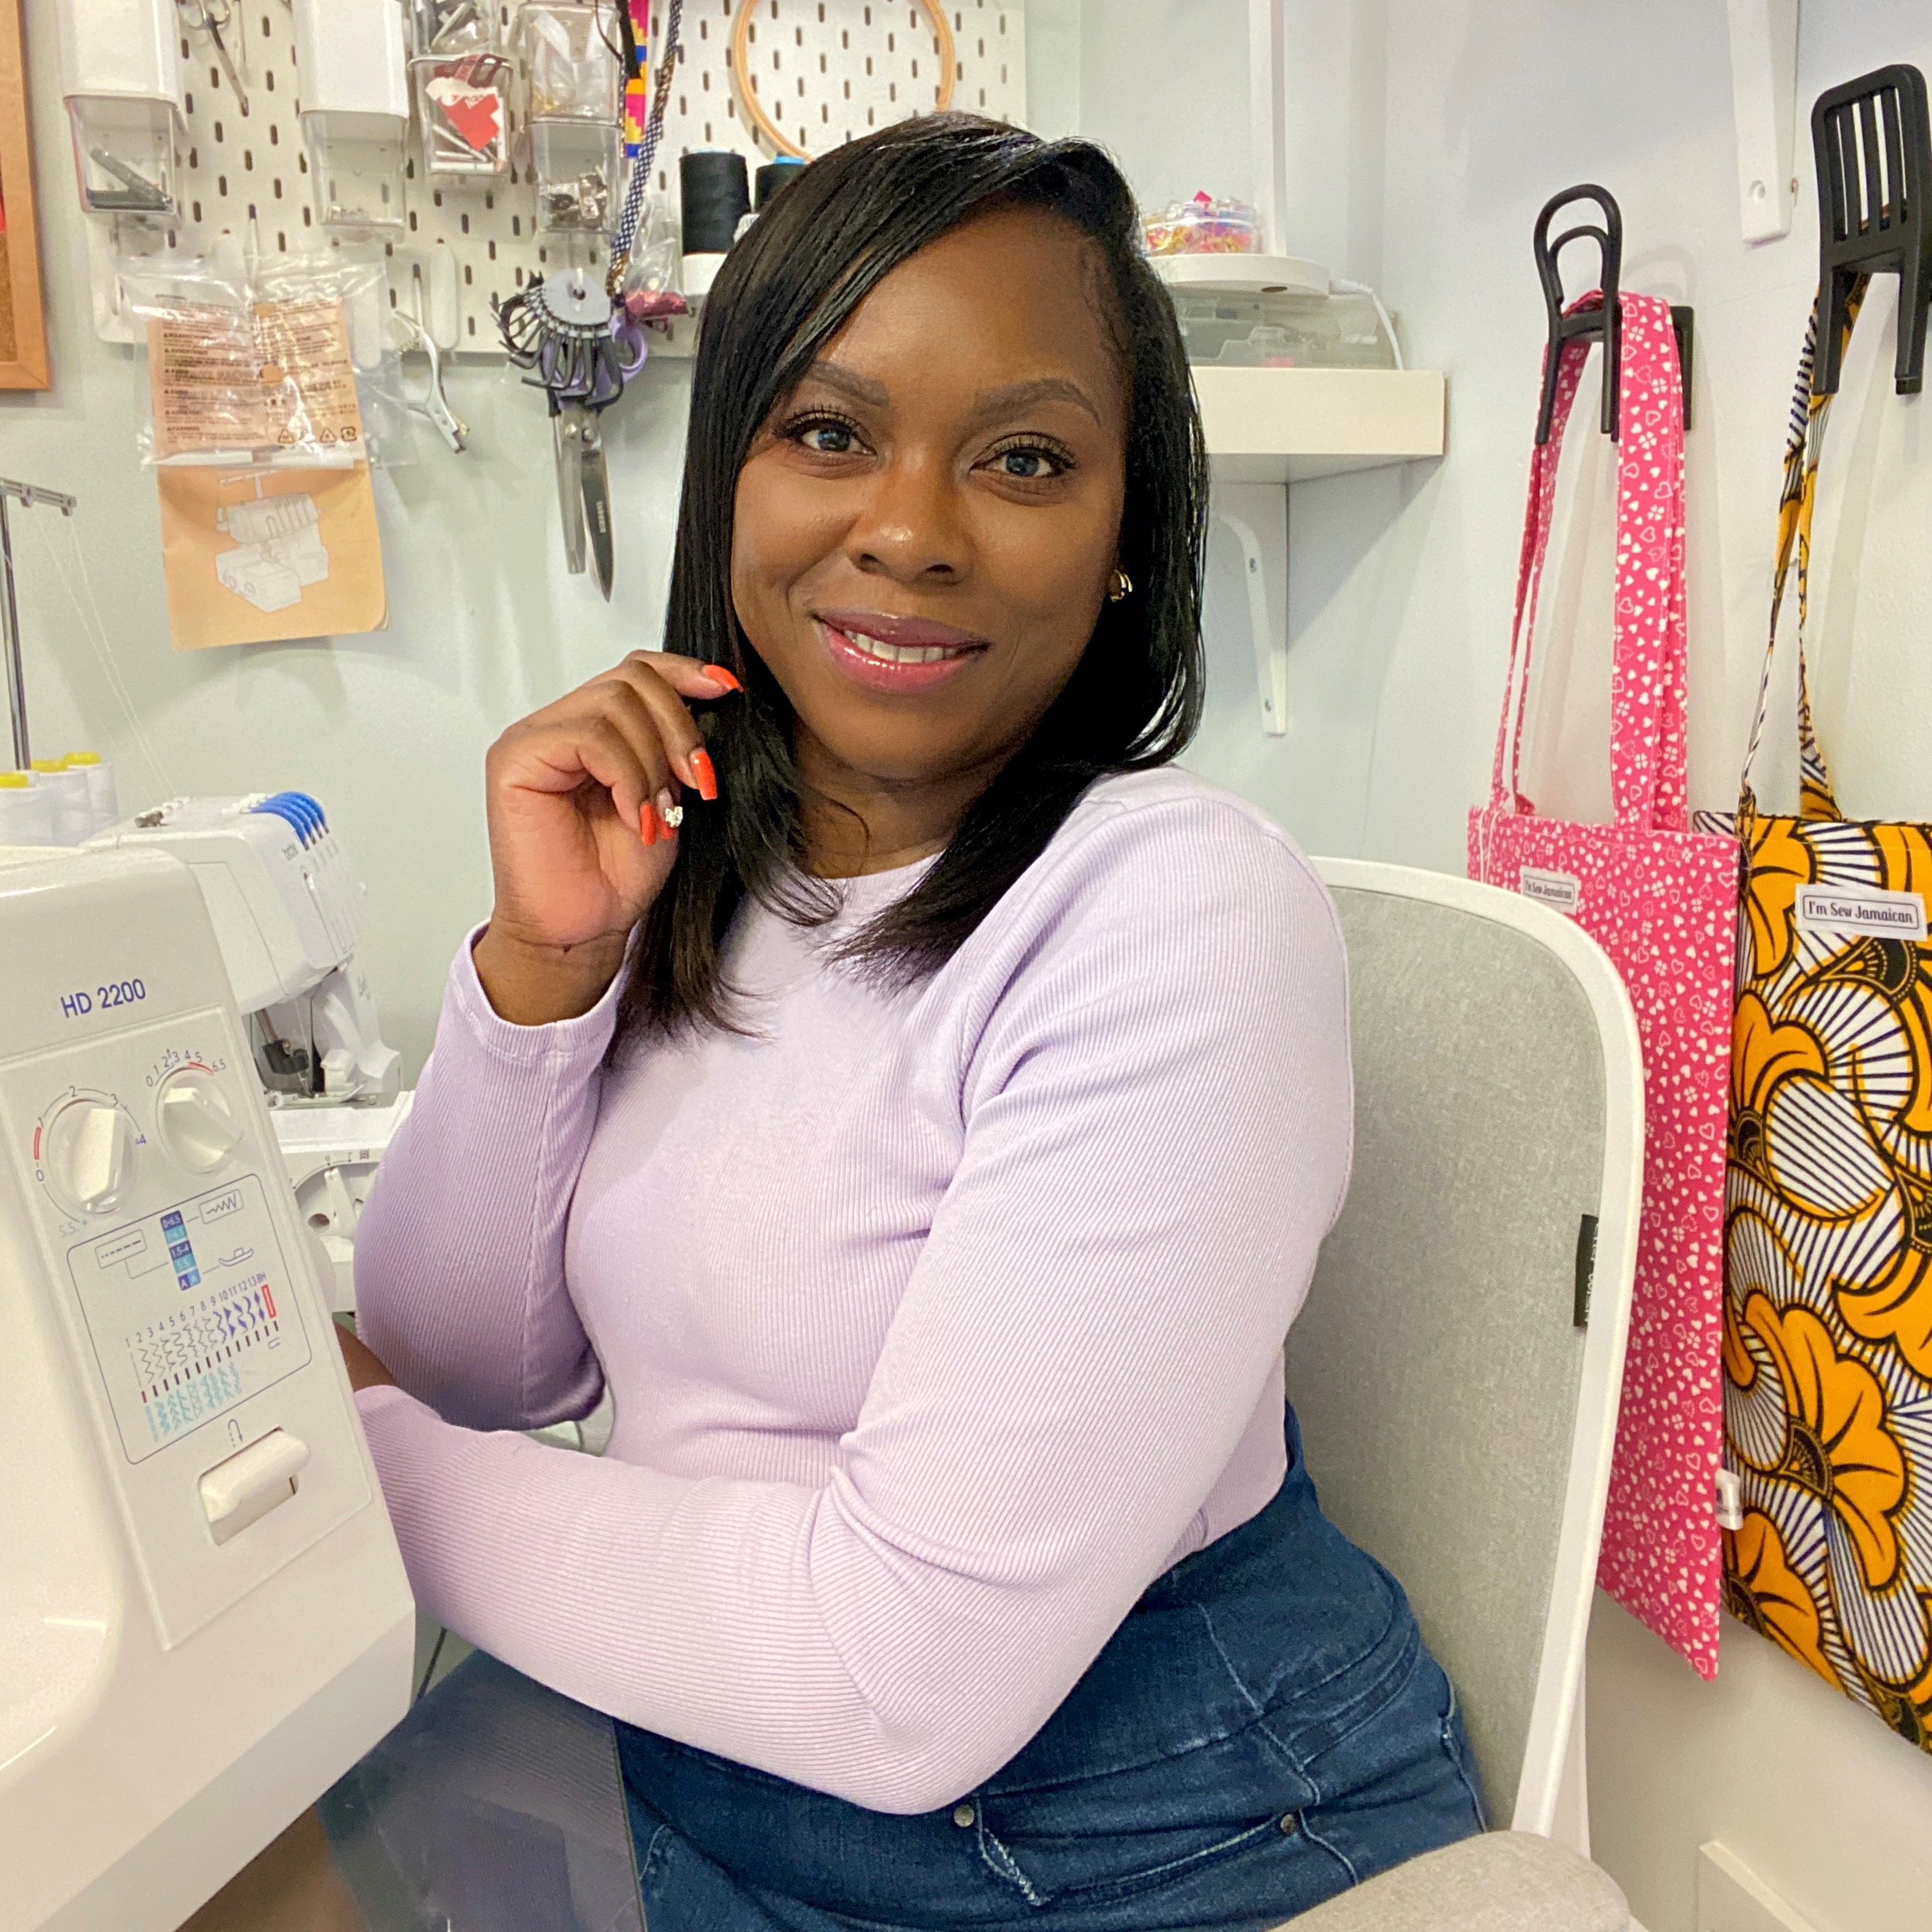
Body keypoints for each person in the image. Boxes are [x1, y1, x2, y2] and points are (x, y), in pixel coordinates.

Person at [343, 114, 1484, 1929]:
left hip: (1163, 1844)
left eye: (1024, 459)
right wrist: (541, 976)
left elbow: (897, 1682)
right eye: (827, 431)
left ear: (1127, 538)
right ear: (731, 478)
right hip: (721, 1760)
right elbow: (469, 1357)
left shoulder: (1176, 913)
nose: (907, 529)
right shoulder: (703, 878)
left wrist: (346, 1470)